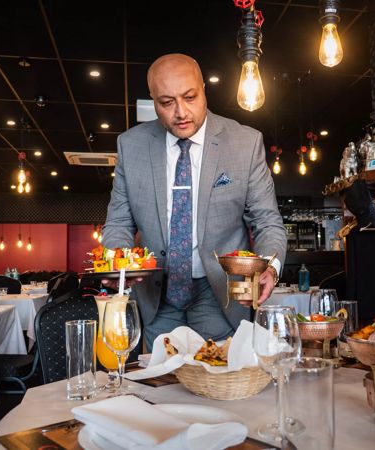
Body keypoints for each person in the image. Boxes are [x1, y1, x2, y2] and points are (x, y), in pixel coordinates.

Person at [101, 53, 287, 350]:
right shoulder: (130, 146)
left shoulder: (245, 143)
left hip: (220, 294)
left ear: (204, 89)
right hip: (156, 296)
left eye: (190, 97)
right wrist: (117, 262)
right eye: (166, 102)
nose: (180, 112)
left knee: (220, 385)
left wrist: (271, 266)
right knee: (161, 385)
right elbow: (119, 223)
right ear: (153, 100)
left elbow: (267, 222)